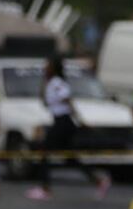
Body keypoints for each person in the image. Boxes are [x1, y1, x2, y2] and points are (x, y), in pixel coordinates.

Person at [27, 57, 110, 201]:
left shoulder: (58, 83)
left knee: (44, 151)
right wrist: (44, 81)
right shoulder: (50, 83)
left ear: (54, 67)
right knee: (70, 158)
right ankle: (98, 180)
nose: (45, 68)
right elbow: (44, 102)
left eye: (48, 65)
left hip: (63, 122)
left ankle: (45, 189)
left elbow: (68, 100)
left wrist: (79, 120)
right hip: (59, 121)